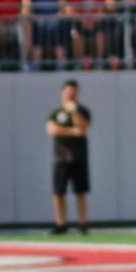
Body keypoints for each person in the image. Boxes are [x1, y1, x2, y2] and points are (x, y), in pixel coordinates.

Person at [45, 79, 92, 235]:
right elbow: (52, 130)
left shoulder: (82, 111)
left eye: (74, 91)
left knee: (80, 191)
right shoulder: (55, 112)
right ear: (63, 92)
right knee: (59, 192)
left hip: (79, 157)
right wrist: (72, 131)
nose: (71, 94)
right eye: (68, 91)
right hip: (61, 157)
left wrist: (73, 112)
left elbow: (83, 129)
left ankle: (83, 224)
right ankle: (61, 223)